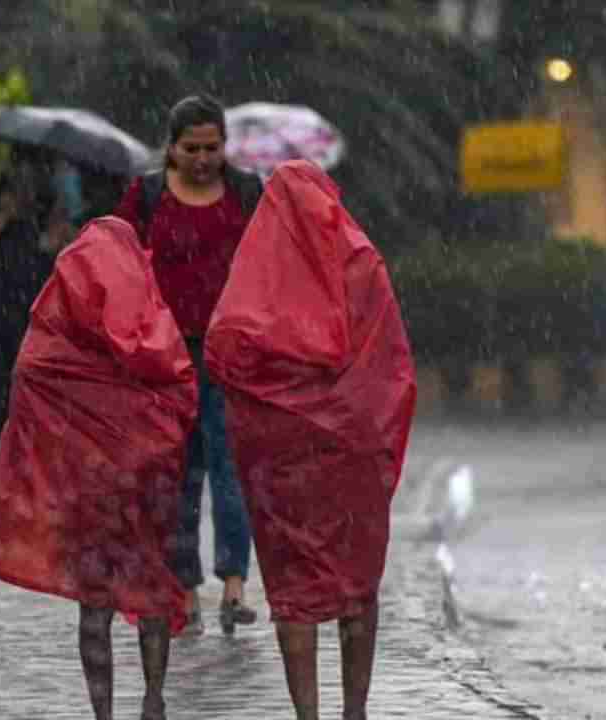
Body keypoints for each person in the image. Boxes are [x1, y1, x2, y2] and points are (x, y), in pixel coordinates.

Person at [205, 161, 417, 720]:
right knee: (356, 583)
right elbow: (391, 368)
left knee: (294, 589)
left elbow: (224, 355)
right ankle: (356, 710)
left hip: (280, 462)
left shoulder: (255, 276)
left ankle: (308, 713)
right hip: (351, 455)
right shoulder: (362, 263)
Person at [0, 217, 197, 720]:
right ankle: (154, 697)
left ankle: (103, 712)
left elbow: (29, 377)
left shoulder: (60, 322)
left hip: (85, 485)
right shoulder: (147, 314)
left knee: (95, 604)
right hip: (142, 483)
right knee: (151, 584)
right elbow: (180, 388)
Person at [113, 94, 262, 636]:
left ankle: (234, 584)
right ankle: (184, 586)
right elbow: (118, 255)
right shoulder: (148, 195)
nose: (203, 158)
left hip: (230, 354)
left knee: (232, 469)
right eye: (192, 148)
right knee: (179, 475)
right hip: (167, 356)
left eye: (213, 148)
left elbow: (270, 259)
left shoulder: (246, 193)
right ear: (170, 148)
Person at [0, 146, 75, 462]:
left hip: (33, 320)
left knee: (33, 405)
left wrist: (54, 236)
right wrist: (3, 215)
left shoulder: (50, 201)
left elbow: (61, 252)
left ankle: (22, 470)